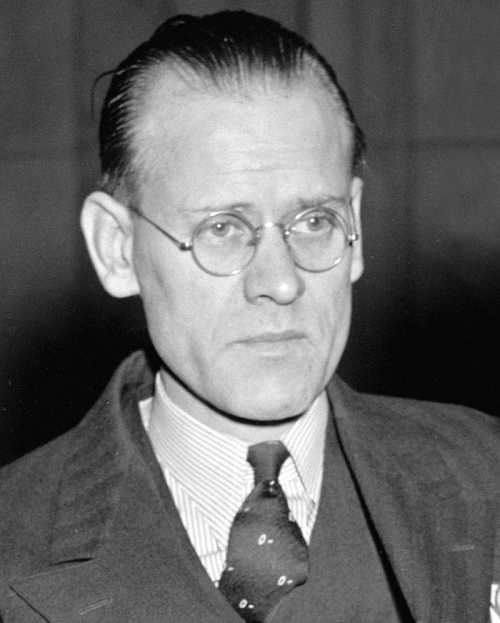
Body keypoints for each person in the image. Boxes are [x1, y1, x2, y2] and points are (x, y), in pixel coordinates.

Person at [0, 10, 498, 623]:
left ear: (357, 230)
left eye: (315, 222)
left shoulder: (485, 487)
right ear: (116, 248)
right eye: (222, 229)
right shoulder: (13, 547)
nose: (281, 281)